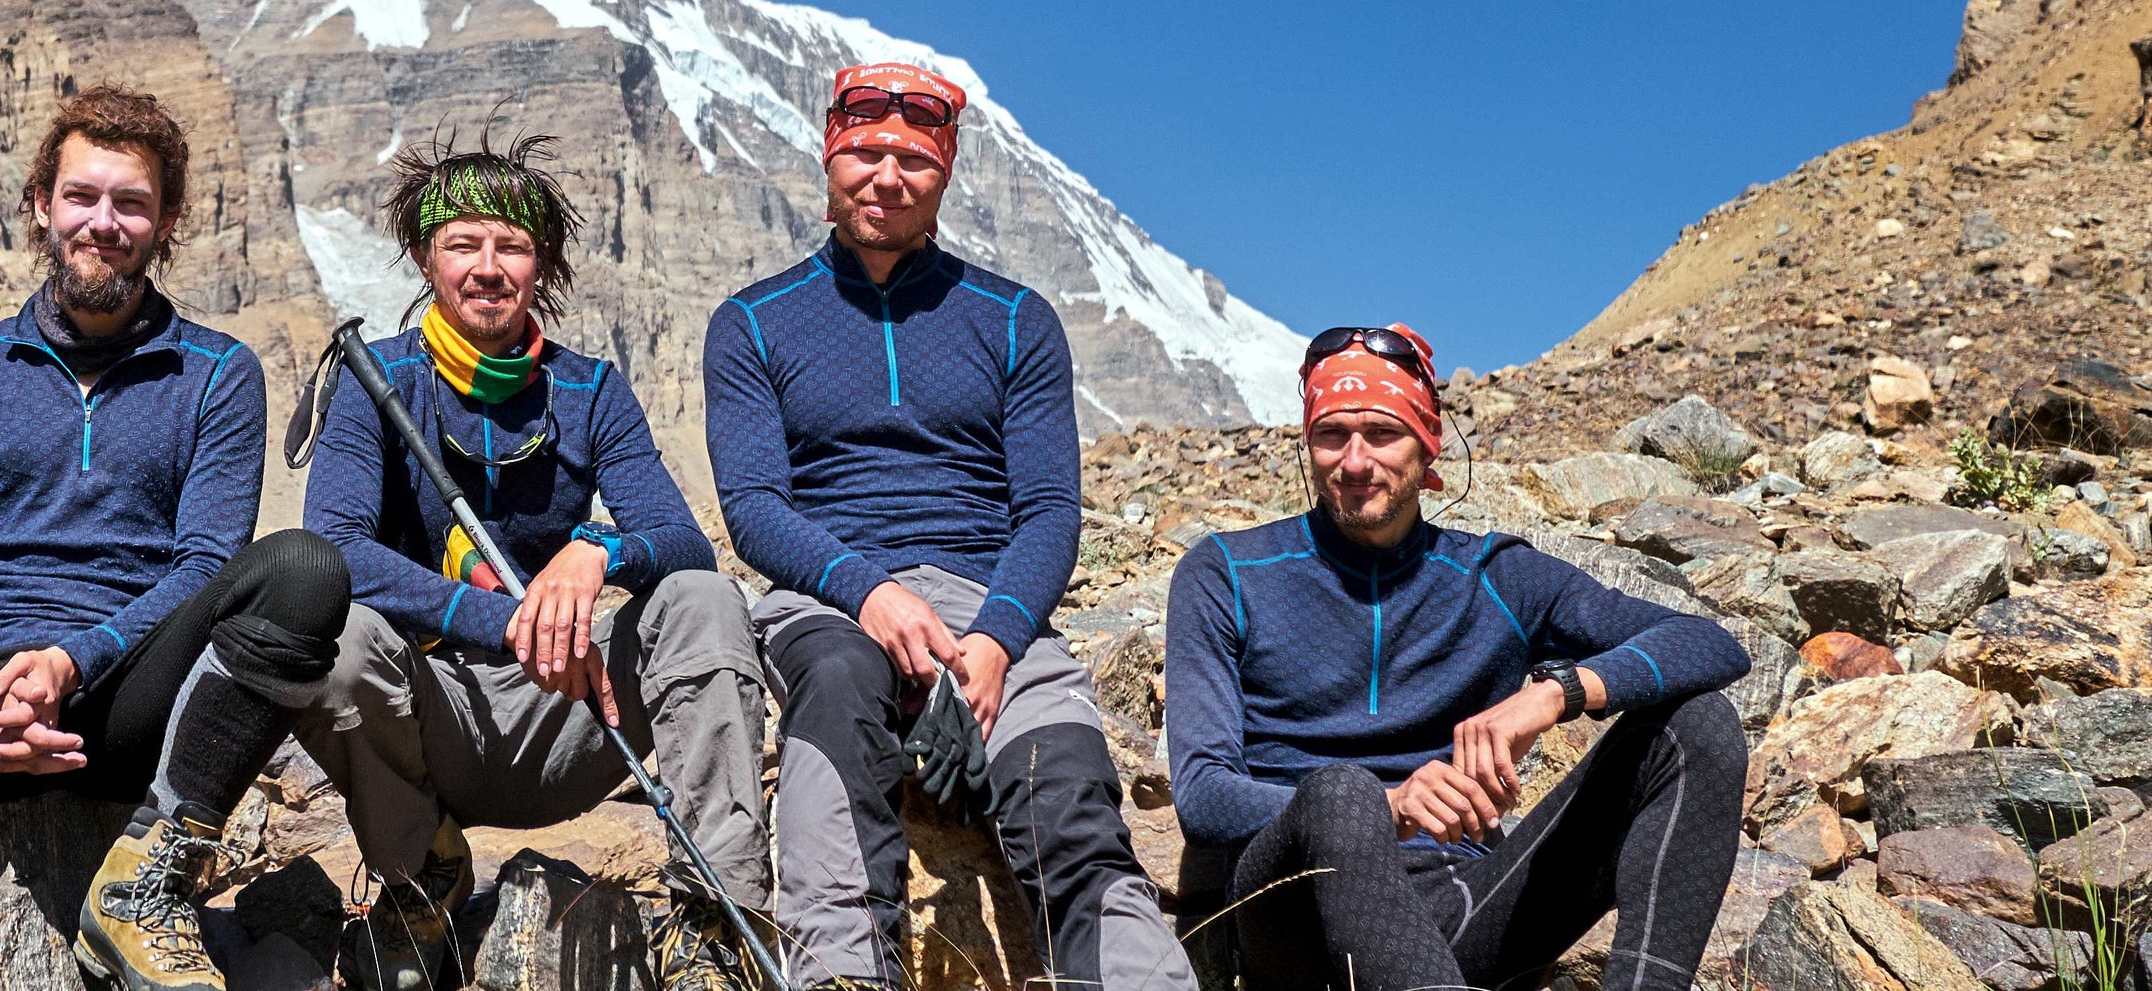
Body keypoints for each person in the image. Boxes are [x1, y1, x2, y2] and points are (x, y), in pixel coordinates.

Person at [0, 84, 349, 991]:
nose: (104, 222)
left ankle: (142, 890)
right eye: (82, 197)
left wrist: (75, 658)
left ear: (167, 218)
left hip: (133, 693)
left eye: (131, 202)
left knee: (301, 568)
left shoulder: (217, 372)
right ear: (41, 206)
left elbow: (206, 564)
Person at [707, 62, 1188, 991]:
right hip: (826, 598)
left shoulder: (1015, 320)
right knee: (839, 683)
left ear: (947, 171)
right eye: (866, 154)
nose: (887, 176)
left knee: (1069, 797)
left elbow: (1048, 510)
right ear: (828, 157)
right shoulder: (751, 322)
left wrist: (1000, 640)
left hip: (989, 603)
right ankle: (841, 976)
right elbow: (755, 509)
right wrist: (871, 593)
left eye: (913, 159)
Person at [298, 138, 771, 991]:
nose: (488, 268)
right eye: (463, 244)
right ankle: (420, 875)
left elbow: (682, 540)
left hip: (576, 707)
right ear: (423, 256)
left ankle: (713, 922)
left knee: (703, 598)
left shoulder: (590, 391)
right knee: (330, 633)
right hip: (429, 713)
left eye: (511, 244)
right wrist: (507, 618)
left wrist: (598, 549)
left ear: (541, 259)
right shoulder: (379, 384)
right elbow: (332, 549)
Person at [1165, 324, 1751, 991]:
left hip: (1462, 902)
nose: (1355, 461)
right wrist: (1387, 806)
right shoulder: (1229, 572)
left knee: (1699, 725)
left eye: (1383, 433)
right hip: (1295, 917)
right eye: (1332, 435)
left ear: (1428, 444)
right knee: (1340, 793)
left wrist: (1553, 692)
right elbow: (1203, 795)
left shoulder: (1494, 575)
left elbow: (1710, 642)